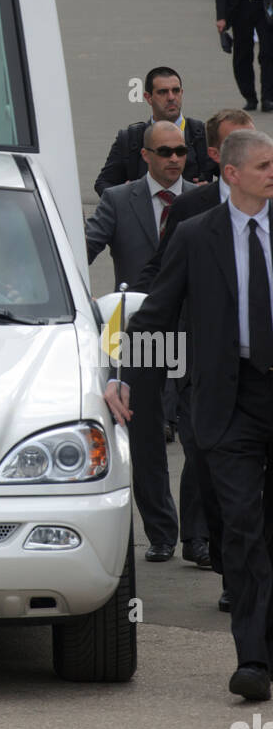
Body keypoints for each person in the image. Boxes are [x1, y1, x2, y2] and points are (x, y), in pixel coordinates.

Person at [107, 129, 273, 701]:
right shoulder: (198, 233)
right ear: (232, 173)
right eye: (264, 164)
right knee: (243, 529)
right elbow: (154, 314)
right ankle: (253, 657)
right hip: (228, 402)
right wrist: (121, 376)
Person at [135, 108, 256, 599]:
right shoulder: (192, 212)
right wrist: (128, 359)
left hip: (260, 373)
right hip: (199, 360)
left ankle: (240, 572)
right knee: (205, 457)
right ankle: (208, 545)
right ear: (222, 160)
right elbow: (162, 280)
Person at [86, 121, 186, 561]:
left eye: (181, 151)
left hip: (193, 331)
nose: (174, 159)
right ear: (145, 155)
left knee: (200, 437)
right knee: (146, 435)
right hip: (139, 332)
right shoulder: (118, 199)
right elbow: (83, 249)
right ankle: (163, 534)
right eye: (164, 152)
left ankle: (199, 538)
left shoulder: (202, 200)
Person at [94, 66, 213, 195]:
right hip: (144, 213)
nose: (171, 97)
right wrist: (123, 195)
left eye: (176, 90)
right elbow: (103, 183)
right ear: (148, 97)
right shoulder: (130, 138)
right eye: (163, 92)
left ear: (182, 93)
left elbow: (233, 175)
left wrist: (212, 191)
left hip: (190, 214)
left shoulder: (203, 134)